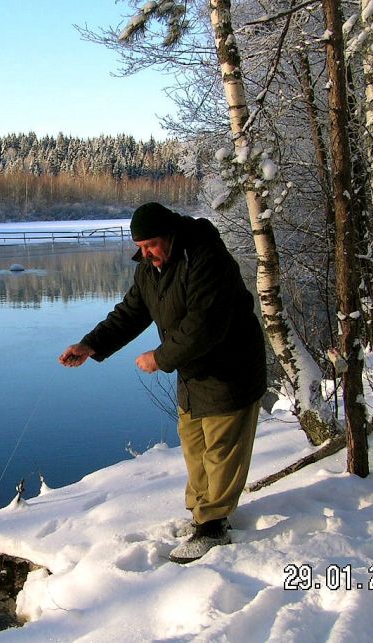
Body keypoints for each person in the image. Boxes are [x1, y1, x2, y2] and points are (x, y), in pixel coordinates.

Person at [59, 202, 267, 563]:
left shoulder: (206, 258)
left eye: (150, 244)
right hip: (193, 372)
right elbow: (130, 313)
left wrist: (159, 357)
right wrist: (91, 344)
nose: (145, 253)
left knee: (221, 451)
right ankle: (202, 516)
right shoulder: (150, 270)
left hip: (231, 369)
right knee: (193, 445)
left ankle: (213, 526)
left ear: (170, 234)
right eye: (139, 246)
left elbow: (204, 325)